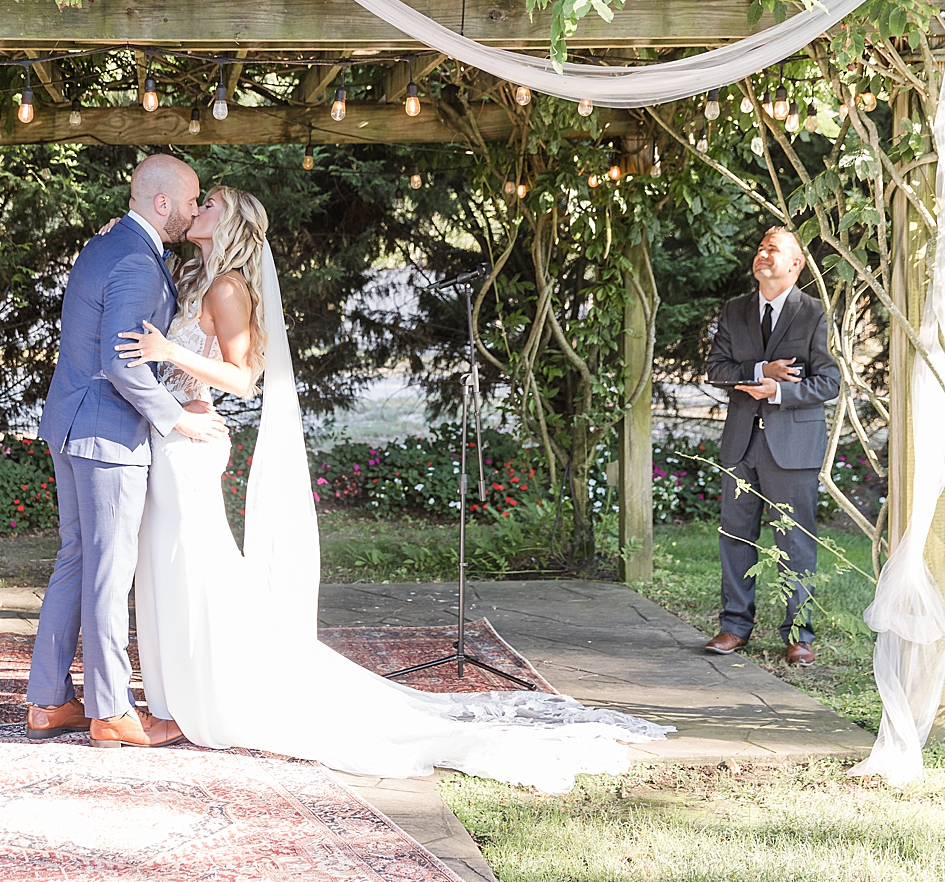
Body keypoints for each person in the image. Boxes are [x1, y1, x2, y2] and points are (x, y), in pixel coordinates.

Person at [109, 185, 673, 794]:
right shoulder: (196, 279)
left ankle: (214, 691)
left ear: (234, 222)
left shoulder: (227, 288)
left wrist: (169, 351)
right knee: (172, 569)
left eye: (210, 202)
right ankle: (181, 689)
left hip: (191, 445)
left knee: (197, 568)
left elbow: (244, 378)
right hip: (172, 441)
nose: (199, 209)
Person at [27, 154, 228, 749]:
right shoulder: (137, 261)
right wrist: (176, 422)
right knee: (109, 575)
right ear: (161, 204)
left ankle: (48, 702)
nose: (194, 211)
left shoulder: (109, 245)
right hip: (108, 434)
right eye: (190, 201)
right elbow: (121, 361)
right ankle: (111, 711)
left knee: (78, 561)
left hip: (71, 423)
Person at [704, 226, 841, 666]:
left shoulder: (813, 313)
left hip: (793, 444)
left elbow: (830, 381)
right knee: (735, 535)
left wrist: (777, 393)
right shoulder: (735, 310)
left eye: (774, 250)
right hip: (741, 443)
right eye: (761, 247)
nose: (763, 254)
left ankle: (799, 635)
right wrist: (761, 370)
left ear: (795, 264)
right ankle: (733, 627)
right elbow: (717, 369)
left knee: (794, 541)